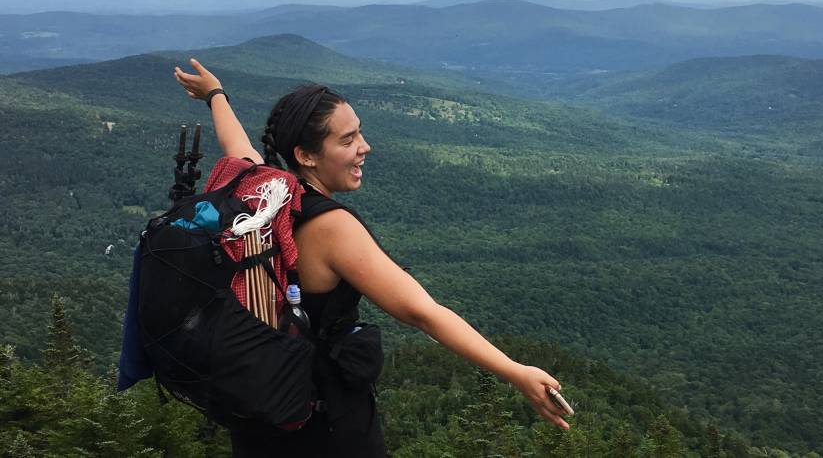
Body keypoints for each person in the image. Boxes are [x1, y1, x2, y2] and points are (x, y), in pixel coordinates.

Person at [174, 59, 571, 457]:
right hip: (325, 421)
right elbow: (422, 313)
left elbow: (238, 147)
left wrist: (215, 95)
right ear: (306, 155)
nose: (365, 147)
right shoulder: (332, 228)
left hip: (264, 410)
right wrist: (515, 372)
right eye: (347, 140)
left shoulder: (263, 194)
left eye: (359, 132)